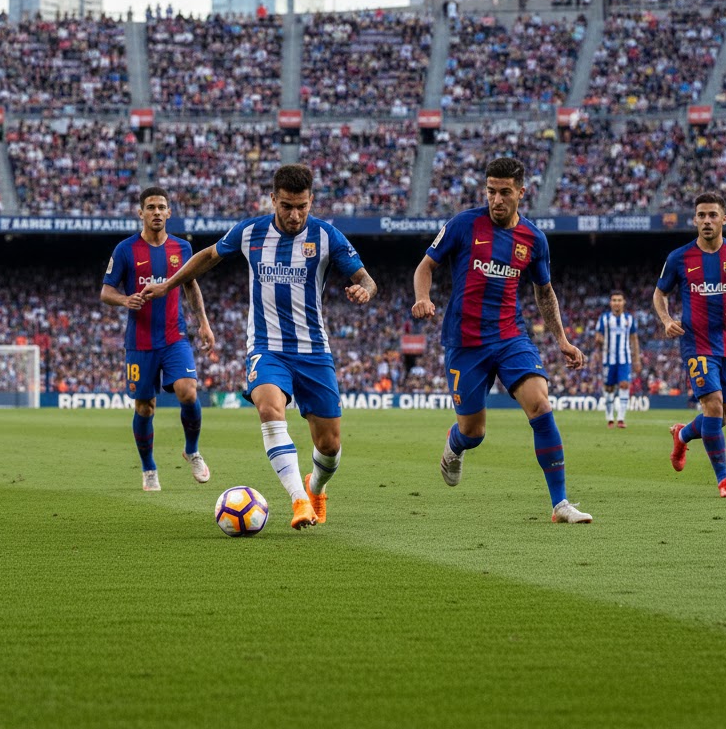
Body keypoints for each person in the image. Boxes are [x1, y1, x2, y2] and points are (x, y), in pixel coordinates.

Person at [140, 164, 377, 530]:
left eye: (302, 206)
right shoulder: (251, 232)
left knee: (329, 446)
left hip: (314, 351)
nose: (295, 215)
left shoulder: (327, 237)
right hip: (267, 347)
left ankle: (315, 488)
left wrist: (364, 289)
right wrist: (168, 285)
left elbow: (366, 278)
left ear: (311, 200)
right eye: (286, 206)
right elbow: (208, 256)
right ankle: (298, 500)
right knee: (269, 408)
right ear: (273, 200)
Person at [411, 156, 593, 524]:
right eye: (491, 191)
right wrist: (423, 297)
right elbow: (426, 266)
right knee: (473, 432)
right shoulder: (463, 224)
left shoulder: (533, 239)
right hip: (465, 342)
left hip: (511, 336)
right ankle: (455, 444)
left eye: (505, 192)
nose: (496, 199)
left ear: (521, 193)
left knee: (540, 404)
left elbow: (544, 292)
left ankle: (560, 505)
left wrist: (562, 340)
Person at [101, 186, 215, 492]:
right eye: (150, 207)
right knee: (145, 408)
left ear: (169, 212)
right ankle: (149, 468)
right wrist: (125, 300)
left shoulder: (182, 249)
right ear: (140, 213)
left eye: (161, 207)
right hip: (139, 341)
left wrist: (203, 324)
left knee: (188, 392)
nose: (155, 212)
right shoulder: (125, 250)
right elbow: (106, 291)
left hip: (174, 336)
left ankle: (191, 450)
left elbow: (191, 286)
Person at [652, 191, 726, 498]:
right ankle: (724, 480)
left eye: (713, 215)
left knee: (721, 418)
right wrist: (666, 319)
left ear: (724, 219)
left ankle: (683, 434)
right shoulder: (679, 258)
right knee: (712, 406)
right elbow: (660, 293)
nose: (707, 220)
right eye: (701, 215)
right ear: (695, 220)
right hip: (696, 343)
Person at [592, 290, 641, 428]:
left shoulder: (629, 319)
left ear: (623, 302)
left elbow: (634, 340)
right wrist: (599, 342)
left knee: (624, 385)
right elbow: (598, 336)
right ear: (610, 303)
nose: (617, 303)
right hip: (609, 359)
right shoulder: (604, 318)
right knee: (608, 388)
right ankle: (609, 418)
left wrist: (637, 359)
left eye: (619, 300)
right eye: (614, 300)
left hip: (624, 358)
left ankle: (620, 419)